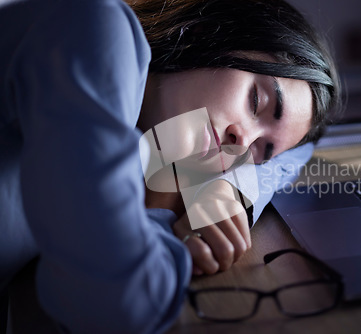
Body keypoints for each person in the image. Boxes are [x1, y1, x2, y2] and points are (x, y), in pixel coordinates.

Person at [0, 0, 339, 333]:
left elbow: (298, 154)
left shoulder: (145, 144)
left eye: (260, 150)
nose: (241, 142)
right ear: (209, 31)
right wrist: (171, 228)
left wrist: (233, 190)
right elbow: (120, 304)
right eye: (256, 101)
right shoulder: (98, 29)